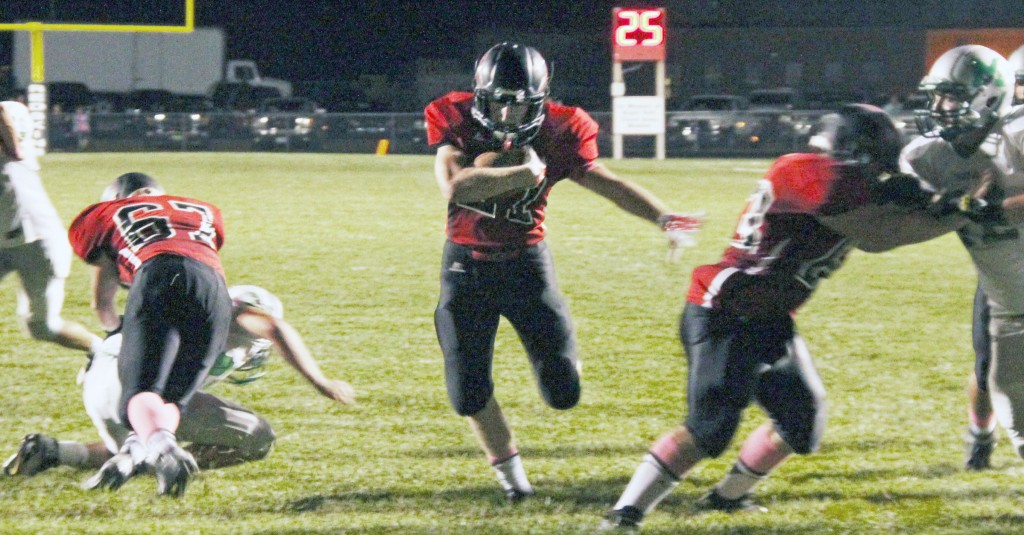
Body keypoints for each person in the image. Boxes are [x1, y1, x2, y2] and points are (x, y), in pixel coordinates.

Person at [600, 103, 980, 530]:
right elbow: (877, 234)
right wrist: (964, 208)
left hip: (769, 315)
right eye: (875, 164)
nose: (880, 175)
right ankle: (625, 514)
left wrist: (924, 195)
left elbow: (881, 208)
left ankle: (726, 499)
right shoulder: (811, 172)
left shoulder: (838, 177)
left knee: (801, 421)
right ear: (854, 154)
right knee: (709, 430)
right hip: (726, 310)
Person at [424, 41, 703, 502]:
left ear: (539, 100)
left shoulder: (562, 127)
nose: (508, 115)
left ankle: (563, 353)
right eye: (498, 101)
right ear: (479, 96)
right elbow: (455, 188)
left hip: (527, 267)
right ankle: (515, 485)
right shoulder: (453, 117)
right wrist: (522, 174)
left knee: (563, 393)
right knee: (467, 393)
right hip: (465, 268)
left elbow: (606, 182)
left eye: (518, 104)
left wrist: (663, 217)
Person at [3, 284, 356, 478]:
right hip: (133, 388)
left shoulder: (187, 300)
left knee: (138, 445)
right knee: (259, 438)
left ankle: (52, 451)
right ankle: (166, 465)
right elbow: (274, 328)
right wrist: (320, 381)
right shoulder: (236, 314)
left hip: (104, 384)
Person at [67, 171, 232, 497]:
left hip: (160, 275)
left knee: (139, 393)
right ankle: (141, 450)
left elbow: (102, 303)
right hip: (216, 291)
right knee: (170, 398)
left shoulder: (106, 214)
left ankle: (165, 452)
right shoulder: (203, 209)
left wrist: (119, 335)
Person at [900, 45, 1024, 471]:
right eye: (936, 97)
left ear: (987, 97)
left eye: (950, 96)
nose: (938, 107)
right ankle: (980, 436)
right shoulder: (927, 157)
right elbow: (907, 214)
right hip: (1004, 286)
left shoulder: (1019, 133)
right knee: (994, 372)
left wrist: (997, 208)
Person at [0, 99, 104, 355]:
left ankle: (100, 351)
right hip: (7, 243)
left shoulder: (14, 157)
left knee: (42, 326)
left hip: (37, 245)